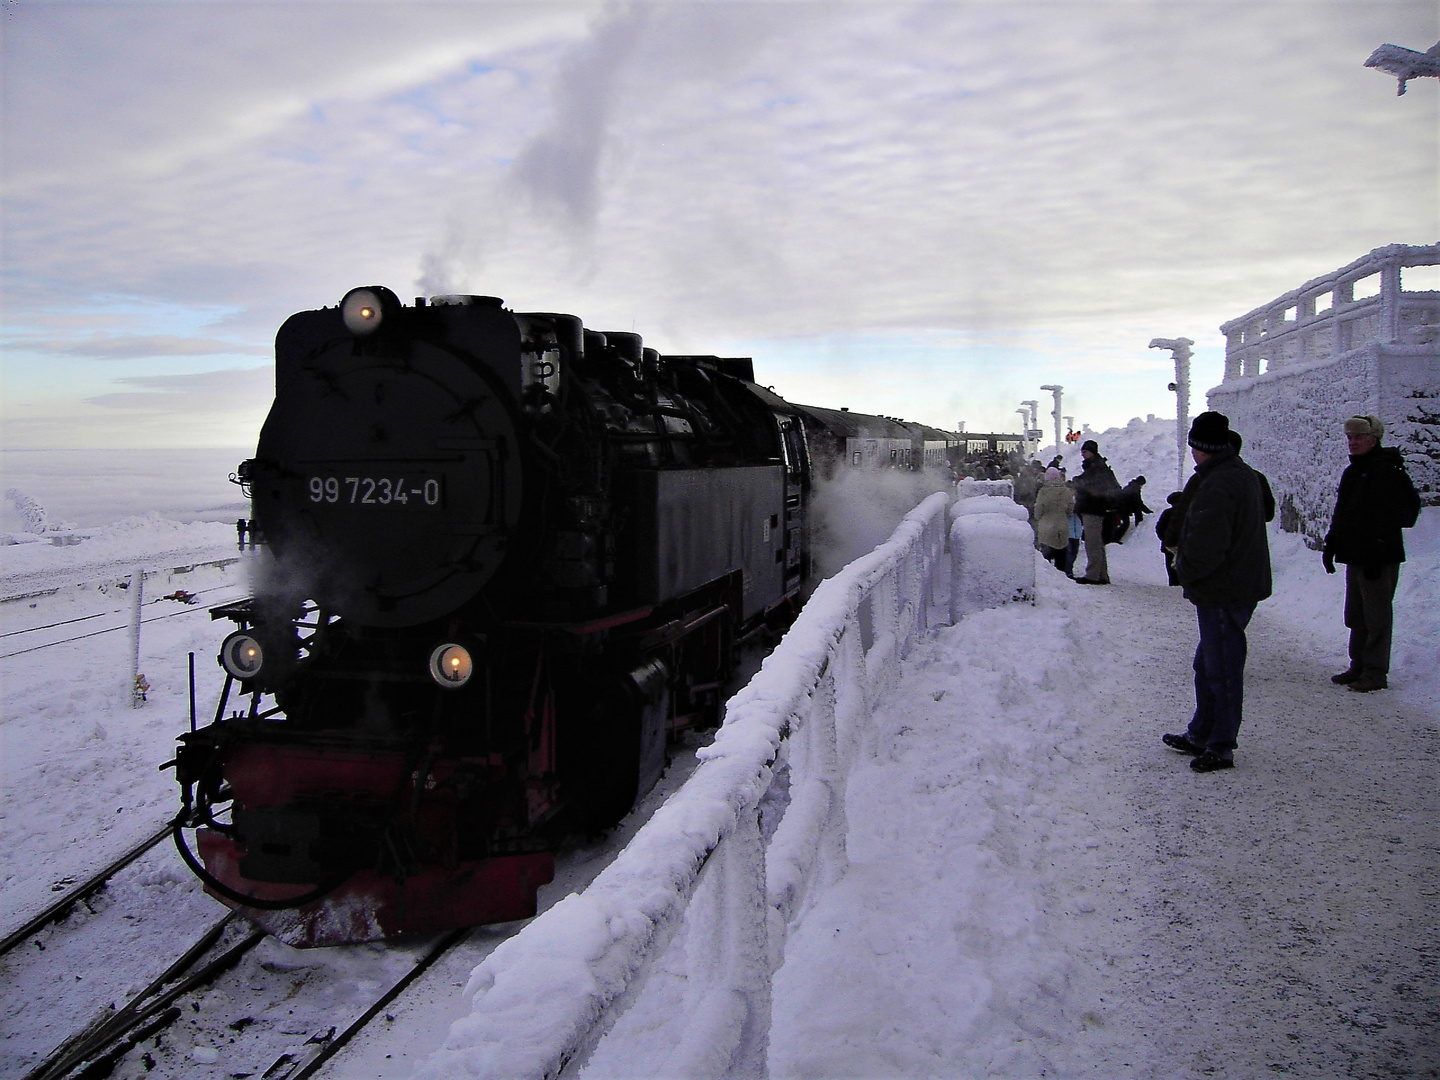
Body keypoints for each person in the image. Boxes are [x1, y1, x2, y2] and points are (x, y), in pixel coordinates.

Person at [1162, 411, 1272, 773]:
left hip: (1225, 589)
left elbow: (1209, 543)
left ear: (1201, 447)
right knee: (1207, 663)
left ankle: (1221, 744)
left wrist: (1186, 570)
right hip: (1231, 585)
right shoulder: (1234, 474)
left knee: (1221, 668)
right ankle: (1202, 732)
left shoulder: (1221, 482)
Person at [1321, 415, 1421, 693]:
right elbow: (1342, 513)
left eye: (1359, 438)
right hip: (1356, 555)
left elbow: (1407, 514)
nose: (1352, 443)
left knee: (1377, 616)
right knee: (1356, 614)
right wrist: (1332, 544)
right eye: (1350, 438)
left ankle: (1375, 671)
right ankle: (1358, 665)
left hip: (1378, 557)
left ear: (1373, 439)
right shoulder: (1353, 472)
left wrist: (1379, 545)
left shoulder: (1389, 471)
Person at [1072, 439, 1121, 584]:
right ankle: (1102, 575)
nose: (1083, 454)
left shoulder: (1096, 467)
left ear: (1092, 451)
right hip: (1097, 509)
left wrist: (1076, 482)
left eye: (1085, 451)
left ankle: (1092, 575)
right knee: (1097, 543)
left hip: (1093, 509)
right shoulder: (1098, 466)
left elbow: (1089, 485)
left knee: (1092, 543)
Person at [1032, 466, 1075, 572]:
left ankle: (1049, 581)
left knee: (1046, 558)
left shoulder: (1043, 491)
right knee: (1061, 555)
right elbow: (1070, 509)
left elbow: (1039, 508)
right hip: (1062, 526)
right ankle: (1062, 578)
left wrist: (1037, 517)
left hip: (1047, 526)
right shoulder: (1066, 491)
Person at [1154, 491, 1184, 586]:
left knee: (1171, 568)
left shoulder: (1167, 513)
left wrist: (1164, 539)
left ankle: (1174, 584)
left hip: (1169, 545)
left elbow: (1159, 528)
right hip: (1185, 546)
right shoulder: (1188, 512)